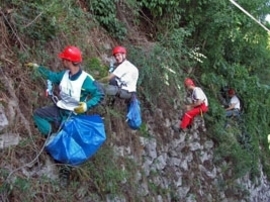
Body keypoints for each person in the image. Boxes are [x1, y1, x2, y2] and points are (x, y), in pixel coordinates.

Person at [26, 45, 104, 186]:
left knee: (72, 149)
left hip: (74, 117)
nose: (62, 61)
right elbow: (51, 76)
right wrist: (38, 68)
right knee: (38, 115)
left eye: (64, 59)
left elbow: (99, 94)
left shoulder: (86, 80)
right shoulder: (64, 75)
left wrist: (86, 105)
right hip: (59, 110)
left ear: (69, 61)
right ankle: (52, 136)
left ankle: (65, 173)